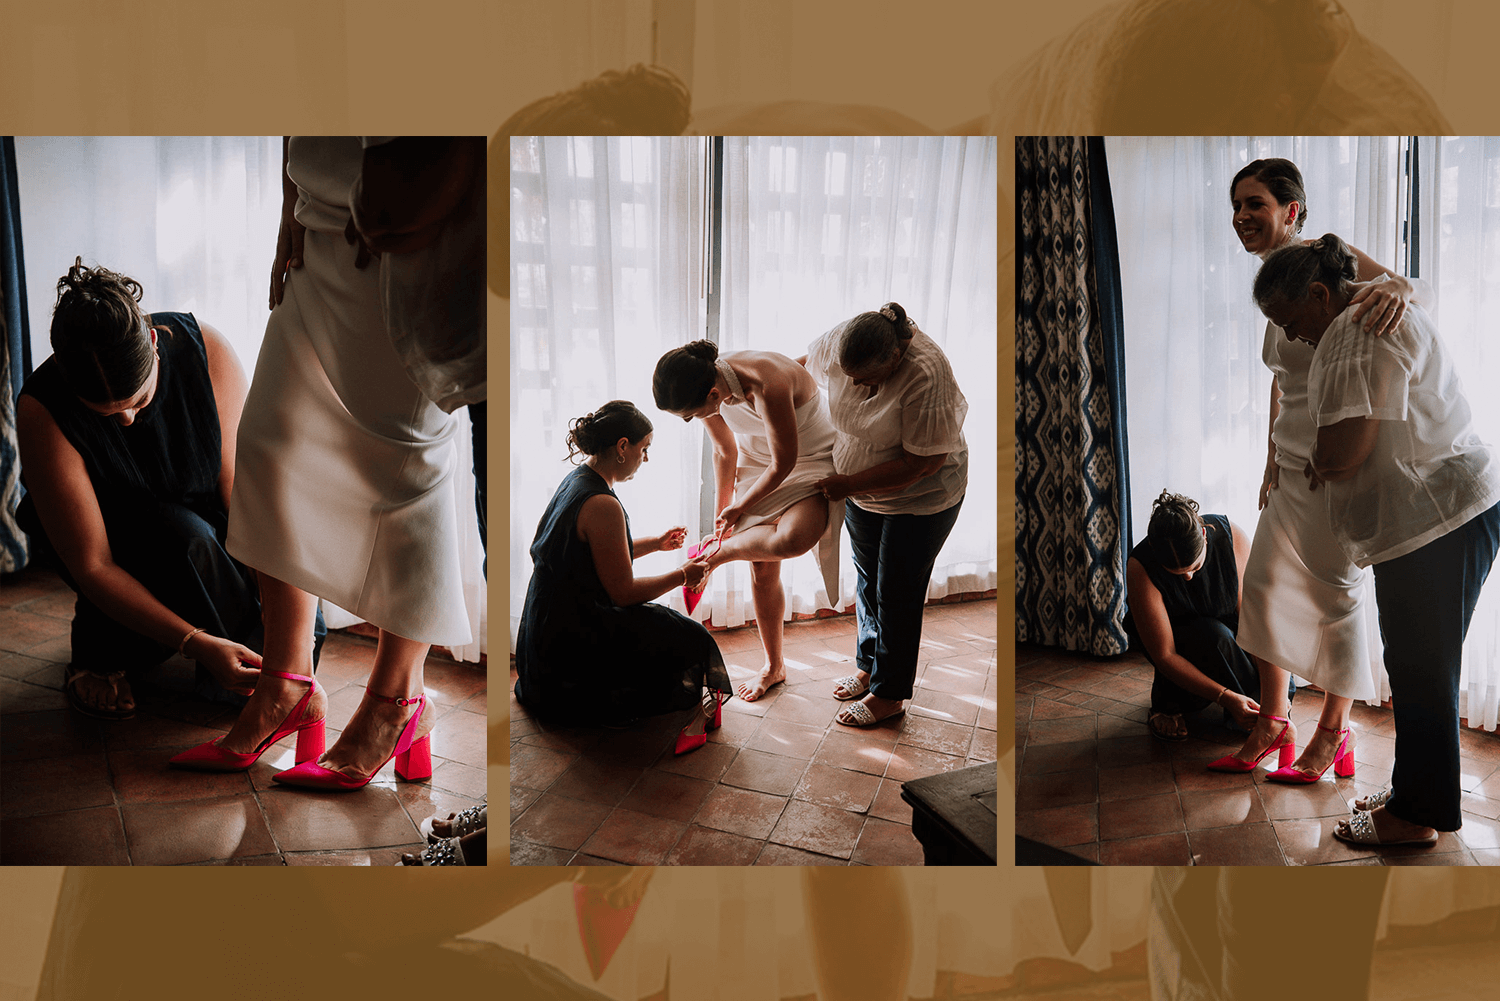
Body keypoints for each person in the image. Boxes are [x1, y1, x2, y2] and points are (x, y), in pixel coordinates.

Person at [176, 137, 479, 790]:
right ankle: (287, 682)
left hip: (404, 239)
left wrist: (420, 205)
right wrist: (290, 205)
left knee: (406, 471)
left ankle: (398, 701)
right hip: (317, 230)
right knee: (269, 446)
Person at [1252, 234, 1500, 848]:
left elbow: (1346, 447)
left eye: (1293, 323)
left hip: (1430, 522)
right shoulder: (1382, 308)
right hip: (1455, 509)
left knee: (1420, 671)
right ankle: (1417, 790)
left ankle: (1416, 817)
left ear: (1318, 292)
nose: (1296, 339)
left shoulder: (1349, 331)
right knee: (1423, 667)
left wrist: (1322, 462)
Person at [14, 260, 323, 721]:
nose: (127, 422)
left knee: (292, 644)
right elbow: (93, 564)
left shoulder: (207, 350)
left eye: (138, 400)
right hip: (121, 543)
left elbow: (244, 497)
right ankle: (104, 644)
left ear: (155, 343)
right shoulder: (42, 409)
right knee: (181, 537)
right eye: (104, 413)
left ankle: (231, 652)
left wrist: (279, 617)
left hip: (213, 523)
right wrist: (193, 641)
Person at [1217, 158, 1420, 782]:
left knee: (1336, 595)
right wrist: (1271, 458)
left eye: (1255, 204)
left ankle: (1335, 728)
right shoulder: (1272, 284)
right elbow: (1283, 382)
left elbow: (1408, 289)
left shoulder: (1328, 264)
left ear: (1292, 211)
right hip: (1292, 461)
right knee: (1264, 587)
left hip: (1340, 456)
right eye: (1237, 206)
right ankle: (1275, 719)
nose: (1242, 217)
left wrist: (1400, 286)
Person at [514, 401, 731, 753]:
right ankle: (608, 700)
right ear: (622, 447)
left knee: (669, 630)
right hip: (572, 635)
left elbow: (592, 555)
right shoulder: (602, 503)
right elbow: (623, 592)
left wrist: (656, 544)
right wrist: (683, 574)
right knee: (689, 635)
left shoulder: (578, 478)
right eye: (644, 449)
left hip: (545, 627)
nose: (645, 459)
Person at [804, 303, 967, 727]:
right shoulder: (846, 340)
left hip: (922, 498)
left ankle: (890, 694)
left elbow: (921, 465)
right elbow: (803, 368)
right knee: (868, 580)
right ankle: (868, 666)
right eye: (849, 374)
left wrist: (846, 485)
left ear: (894, 359)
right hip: (862, 492)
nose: (853, 383)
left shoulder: (926, 373)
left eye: (864, 378)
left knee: (896, 590)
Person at [652, 340, 841, 702]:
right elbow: (725, 451)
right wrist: (722, 517)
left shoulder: (769, 382)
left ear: (711, 394)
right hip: (758, 464)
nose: (692, 420)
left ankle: (714, 557)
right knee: (762, 567)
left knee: (793, 540)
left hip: (808, 460)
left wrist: (741, 509)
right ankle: (774, 666)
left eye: (690, 414)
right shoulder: (706, 380)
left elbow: (785, 463)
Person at [1124, 491, 1269, 742]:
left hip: (1233, 634)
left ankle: (1257, 705)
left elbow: (1252, 621)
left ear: (1204, 536)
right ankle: (1173, 700)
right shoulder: (1141, 566)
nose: (1189, 578)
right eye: (1177, 573)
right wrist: (1226, 697)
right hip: (1181, 641)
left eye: (1195, 567)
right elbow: (1165, 655)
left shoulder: (1232, 539)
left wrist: (1271, 693)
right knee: (1212, 636)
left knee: (1272, 689)